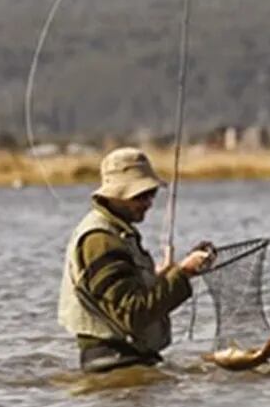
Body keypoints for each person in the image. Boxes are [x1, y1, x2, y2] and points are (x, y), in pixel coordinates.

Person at [57, 147, 213, 373]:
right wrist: (183, 274)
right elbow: (133, 314)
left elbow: (129, 298)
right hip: (114, 366)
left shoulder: (117, 233)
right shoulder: (100, 241)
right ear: (115, 195)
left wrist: (165, 275)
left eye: (152, 194)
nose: (149, 202)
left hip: (129, 362)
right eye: (140, 196)